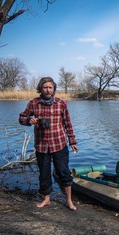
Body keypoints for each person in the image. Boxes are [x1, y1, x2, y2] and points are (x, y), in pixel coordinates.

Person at [19, 77, 78, 211]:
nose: (48, 90)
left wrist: (72, 141)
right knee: (44, 173)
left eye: (50, 87)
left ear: (54, 89)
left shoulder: (61, 103)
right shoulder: (34, 103)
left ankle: (69, 200)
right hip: (41, 145)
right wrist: (30, 121)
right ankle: (46, 199)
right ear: (40, 88)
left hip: (59, 143)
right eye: (45, 87)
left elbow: (68, 123)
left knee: (64, 172)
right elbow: (21, 118)